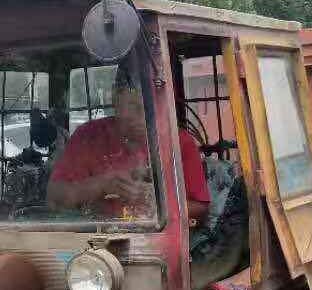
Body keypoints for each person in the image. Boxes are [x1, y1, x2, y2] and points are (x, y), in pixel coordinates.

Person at [47, 75, 210, 223]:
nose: (142, 115)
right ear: (115, 100)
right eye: (133, 105)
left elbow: (201, 208)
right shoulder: (88, 136)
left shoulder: (179, 141)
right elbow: (54, 198)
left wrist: (156, 202)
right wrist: (102, 185)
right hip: (93, 243)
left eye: (149, 106)